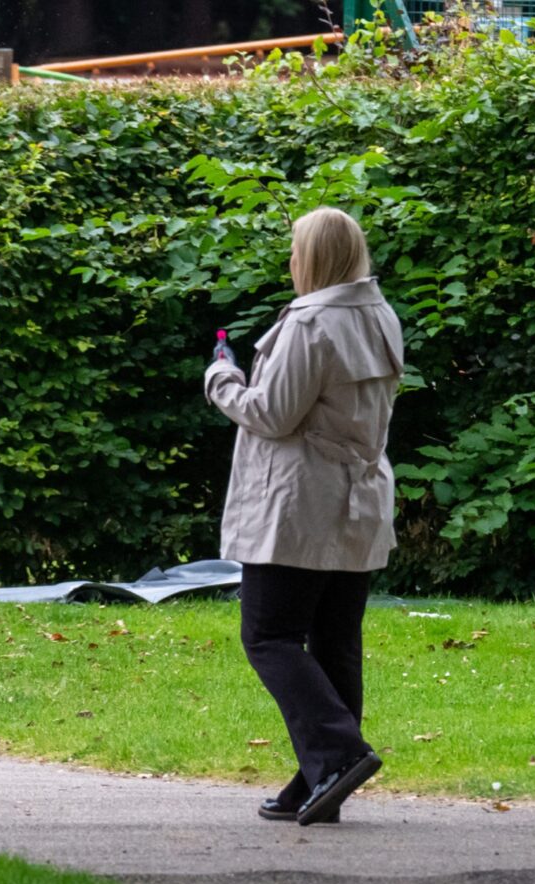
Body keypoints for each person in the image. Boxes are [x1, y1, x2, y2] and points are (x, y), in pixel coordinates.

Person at [205, 207, 404, 827]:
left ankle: (338, 754)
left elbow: (272, 413)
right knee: (335, 639)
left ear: (311, 257)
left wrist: (221, 379)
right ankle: (321, 775)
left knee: (269, 635)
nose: (291, 262)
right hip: (360, 498)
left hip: (300, 507)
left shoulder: (310, 322)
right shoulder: (381, 316)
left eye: (295, 251)